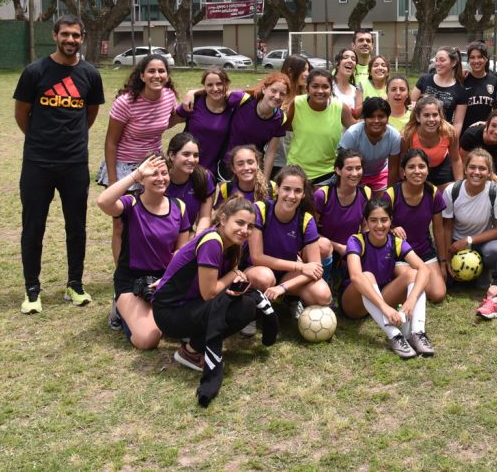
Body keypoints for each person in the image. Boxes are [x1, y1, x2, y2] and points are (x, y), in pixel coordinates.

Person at [13, 15, 105, 314]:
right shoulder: (34, 72)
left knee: (76, 226)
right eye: (65, 34)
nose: (70, 40)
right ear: (55, 36)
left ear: (82, 38)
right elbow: (21, 114)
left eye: (76, 35)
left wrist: (70, 140)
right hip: (38, 162)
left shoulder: (90, 74)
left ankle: (75, 284)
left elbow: (89, 114)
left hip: (74, 162)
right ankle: (32, 290)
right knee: (33, 226)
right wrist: (42, 140)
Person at [152, 198, 278, 407]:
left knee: (245, 299)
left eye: (250, 226)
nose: (245, 230)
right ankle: (191, 351)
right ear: (223, 219)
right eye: (239, 223)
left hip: (187, 305)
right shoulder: (212, 241)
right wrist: (234, 274)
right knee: (245, 306)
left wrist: (234, 277)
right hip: (169, 313)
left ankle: (194, 339)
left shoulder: (232, 243)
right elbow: (210, 293)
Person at [97, 154, 192, 349]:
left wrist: (167, 281)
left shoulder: (179, 207)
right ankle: (120, 307)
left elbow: (180, 253)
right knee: (148, 339)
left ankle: (154, 310)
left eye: (164, 173)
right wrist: (136, 174)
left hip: (163, 279)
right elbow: (103, 202)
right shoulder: (131, 204)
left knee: (188, 326)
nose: (160, 178)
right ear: (142, 179)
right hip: (132, 281)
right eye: (153, 174)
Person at [341, 198, 434, 359]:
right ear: (366, 222)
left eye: (384, 220)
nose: (379, 226)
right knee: (366, 275)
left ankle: (417, 332)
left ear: (391, 220)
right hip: (354, 303)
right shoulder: (356, 240)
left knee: (413, 273)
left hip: (379, 299)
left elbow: (423, 269)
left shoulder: (396, 242)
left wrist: (411, 299)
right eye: (373, 220)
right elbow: (356, 277)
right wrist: (384, 307)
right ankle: (395, 336)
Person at [245, 165, 333, 315]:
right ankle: (251, 311)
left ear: (304, 194)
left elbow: (316, 269)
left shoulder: (306, 220)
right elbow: (257, 258)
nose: (291, 196)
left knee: (322, 294)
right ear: (277, 189)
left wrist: (283, 287)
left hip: (286, 274)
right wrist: (299, 267)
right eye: (286, 189)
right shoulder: (260, 209)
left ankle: (289, 299)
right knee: (264, 277)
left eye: (297, 191)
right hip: (257, 270)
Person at [100, 54, 178, 187]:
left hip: (154, 164)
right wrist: (113, 181)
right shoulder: (125, 103)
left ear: (167, 75)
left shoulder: (169, 96)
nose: (157, 75)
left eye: (161, 71)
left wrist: (193, 95)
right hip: (125, 167)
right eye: (151, 71)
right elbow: (111, 143)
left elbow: (171, 119)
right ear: (142, 76)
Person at [383, 149, 448, 303]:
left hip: (424, 252)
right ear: (403, 172)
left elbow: (438, 230)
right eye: (411, 167)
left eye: (421, 166)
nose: (417, 171)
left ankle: (416, 280)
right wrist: (392, 228)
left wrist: (443, 263)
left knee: (438, 294)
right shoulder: (391, 194)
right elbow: (378, 226)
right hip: (399, 254)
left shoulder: (433, 193)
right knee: (413, 283)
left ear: (427, 170)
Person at [441, 149, 497, 285]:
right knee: (447, 282)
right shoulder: (453, 190)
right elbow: (447, 227)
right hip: (456, 243)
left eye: (482, 168)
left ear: (490, 172)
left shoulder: (496, 192)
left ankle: (485, 270)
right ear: (465, 169)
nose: (477, 172)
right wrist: (446, 258)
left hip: (483, 241)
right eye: (472, 167)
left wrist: (468, 240)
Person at [286, 68, 356, 184]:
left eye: (325, 87)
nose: (320, 91)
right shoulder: (296, 103)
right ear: (307, 88)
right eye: (315, 86)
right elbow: (284, 127)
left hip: (327, 173)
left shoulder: (339, 107)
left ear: (331, 89)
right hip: (296, 171)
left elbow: (355, 128)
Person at [313, 149, 372, 281]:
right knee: (324, 246)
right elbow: (309, 231)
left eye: (358, 168)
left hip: (349, 249)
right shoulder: (323, 195)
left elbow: (365, 227)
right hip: (324, 249)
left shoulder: (366, 193)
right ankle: (324, 282)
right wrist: (338, 247)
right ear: (338, 170)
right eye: (349, 169)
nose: (355, 173)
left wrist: (363, 247)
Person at [173, 67, 244, 175]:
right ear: (204, 86)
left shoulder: (233, 107)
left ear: (227, 84)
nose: (215, 89)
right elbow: (167, 123)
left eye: (219, 84)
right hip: (185, 165)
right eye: (210, 85)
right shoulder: (194, 103)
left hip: (211, 171)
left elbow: (256, 96)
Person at [221, 72, 290, 179]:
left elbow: (271, 152)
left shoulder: (280, 119)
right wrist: (192, 93)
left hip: (252, 168)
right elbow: (215, 93)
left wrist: (265, 180)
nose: (277, 96)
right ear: (264, 89)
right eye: (273, 91)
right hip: (229, 165)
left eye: (282, 94)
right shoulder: (242, 100)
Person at [338, 97, 402, 191]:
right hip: (355, 174)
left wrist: (389, 194)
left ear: (387, 118)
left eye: (381, 116)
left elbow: (393, 169)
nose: (376, 121)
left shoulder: (394, 136)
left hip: (380, 174)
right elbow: (343, 165)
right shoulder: (353, 134)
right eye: (371, 117)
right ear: (364, 118)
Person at [400, 94, 463, 190]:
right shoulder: (408, 134)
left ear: (440, 116)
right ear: (418, 117)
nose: (431, 119)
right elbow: (402, 160)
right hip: (417, 169)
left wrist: (459, 185)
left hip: (441, 167)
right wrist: (403, 180)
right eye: (426, 115)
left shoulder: (449, 132)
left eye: (435, 115)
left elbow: (455, 159)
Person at [165, 132, 215, 233]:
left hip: (187, 234)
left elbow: (205, 217)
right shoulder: (160, 178)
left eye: (196, 155)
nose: (192, 160)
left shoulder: (204, 177)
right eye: (186, 154)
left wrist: (197, 239)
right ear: (171, 155)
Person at [412, 46, 467, 135]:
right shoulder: (424, 79)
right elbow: (411, 104)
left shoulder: (460, 90)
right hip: (420, 133)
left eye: (442, 60)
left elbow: (458, 123)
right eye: (436, 60)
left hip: (443, 135)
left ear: (453, 63)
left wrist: (452, 143)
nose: (437, 63)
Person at [272, 55, 311, 177]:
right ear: (290, 71)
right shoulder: (278, 96)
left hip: (300, 160)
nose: (307, 74)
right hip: (277, 159)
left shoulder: (307, 96)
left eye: (308, 70)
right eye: (304, 70)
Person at [463, 41, 497, 127]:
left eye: (480, 57)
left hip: (486, 132)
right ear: (468, 59)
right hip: (465, 134)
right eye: (472, 57)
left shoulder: (494, 81)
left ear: (486, 58)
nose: (476, 61)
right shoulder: (463, 79)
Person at [332, 47, 363, 115]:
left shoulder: (356, 91)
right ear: (337, 63)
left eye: (353, 59)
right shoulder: (328, 85)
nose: (350, 61)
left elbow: (356, 116)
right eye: (345, 57)